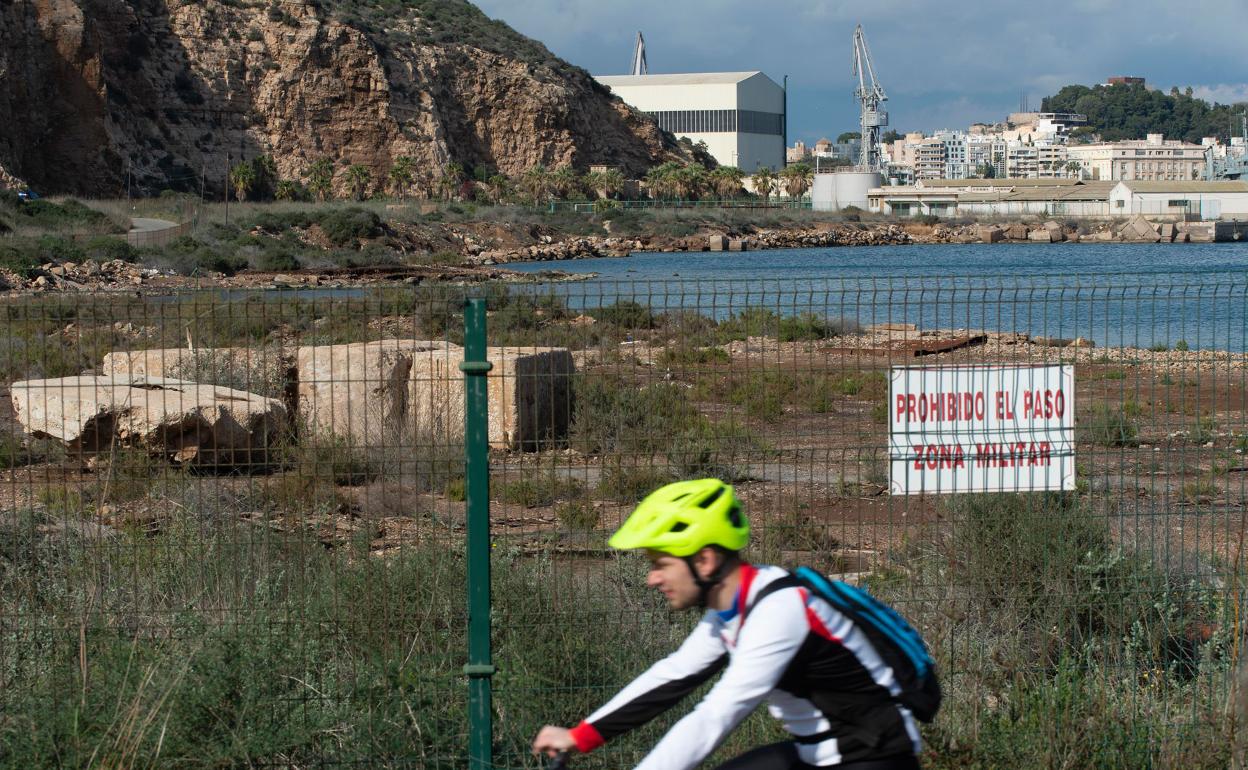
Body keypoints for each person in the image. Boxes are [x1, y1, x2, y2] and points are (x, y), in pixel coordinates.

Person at [532, 478, 922, 770]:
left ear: (704, 561)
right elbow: (674, 675)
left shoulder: (779, 612)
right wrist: (579, 736)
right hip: (819, 754)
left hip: (874, 759)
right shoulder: (736, 606)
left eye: (660, 564)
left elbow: (715, 716)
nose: (652, 578)